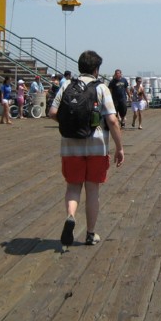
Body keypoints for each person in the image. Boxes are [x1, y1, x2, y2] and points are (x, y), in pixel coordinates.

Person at [49, 50, 125, 247]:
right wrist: (119, 148)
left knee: (73, 187)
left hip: (70, 147)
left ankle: (71, 216)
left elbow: (52, 112)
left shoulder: (66, 85)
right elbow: (112, 120)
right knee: (93, 191)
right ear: (96, 69)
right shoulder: (101, 88)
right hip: (97, 147)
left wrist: (68, 125)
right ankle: (90, 234)